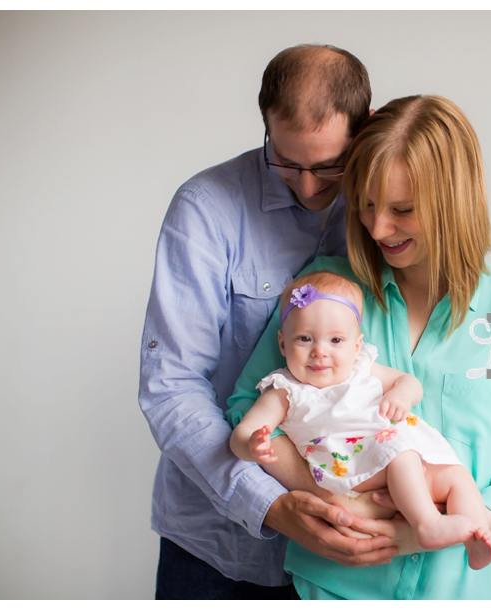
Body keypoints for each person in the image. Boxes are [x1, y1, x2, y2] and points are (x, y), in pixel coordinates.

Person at [226, 94, 491, 599]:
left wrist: (417, 533)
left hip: (470, 591)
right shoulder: (325, 295)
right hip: (338, 587)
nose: (377, 227)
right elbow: (248, 409)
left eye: (402, 210)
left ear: (454, 200)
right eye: (366, 203)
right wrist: (325, 494)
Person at [138, 44, 397, 600]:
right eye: (286, 161)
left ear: (366, 127)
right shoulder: (205, 209)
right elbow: (170, 387)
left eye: (329, 164)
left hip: (356, 566)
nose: (307, 187)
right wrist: (274, 505)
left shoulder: (389, 209)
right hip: (219, 550)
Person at [230, 271, 491, 570]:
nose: (320, 351)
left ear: (356, 346)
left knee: (455, 477)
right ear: (282, 344)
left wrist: (402, 394)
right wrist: (250, 446)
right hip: (348, 464)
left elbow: (410, 382)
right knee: (401, 453)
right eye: (305, 338)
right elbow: (244, 430)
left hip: (397, 455)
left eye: (336, 340)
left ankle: (476, 538)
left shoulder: (363, 368)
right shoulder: (286, 390)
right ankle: (427, 524)